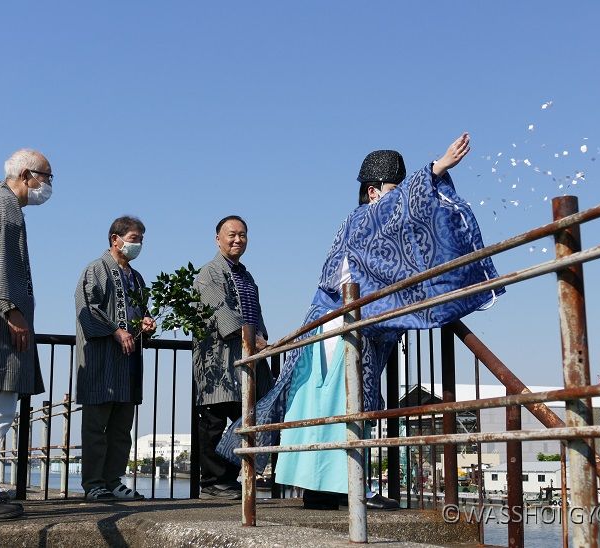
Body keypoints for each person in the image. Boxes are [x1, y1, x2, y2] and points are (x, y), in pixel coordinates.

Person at [217, 133, 503, 510]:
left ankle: (326, 491)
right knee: (342, 407)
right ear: (373, 192)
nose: (399, 196)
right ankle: (341, 489)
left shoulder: (361, 222)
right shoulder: (366, 217)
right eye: (393, 189)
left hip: (334, 326)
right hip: (342, 329)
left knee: (323, 409)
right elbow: (404, 211)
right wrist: (437, 168)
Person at [0, 149, 53, 519]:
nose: (47, 186)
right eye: (46, 177)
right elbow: (3, 260)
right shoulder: (5, 205)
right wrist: (12, 311)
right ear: (26, 174)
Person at [75, 216, 156, 501]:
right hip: (101, 361)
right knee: (96, 426)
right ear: (115, 239)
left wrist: (145, 324)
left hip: (129, 362)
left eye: (141, 240)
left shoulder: (136, 278)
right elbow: (88, 308)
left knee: (122, 427)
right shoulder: (95, 270)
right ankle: (94, 483)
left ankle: (114, 480)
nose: (138, 245)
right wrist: (115, 330)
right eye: (134, 239)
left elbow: (140, 312)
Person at [192, 215, 273, 499]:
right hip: (218, 361)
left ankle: (229, 479)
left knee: (248, 417)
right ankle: (212, 483)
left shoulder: (246, 275)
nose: (237, 239)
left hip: (247, 357)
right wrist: (253, 339)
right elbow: (221, 313)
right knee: (214, 420)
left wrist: (261, 339)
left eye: (242, 235)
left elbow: (257, 315)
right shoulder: (209, 273)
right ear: (218, 238)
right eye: (231, 234)